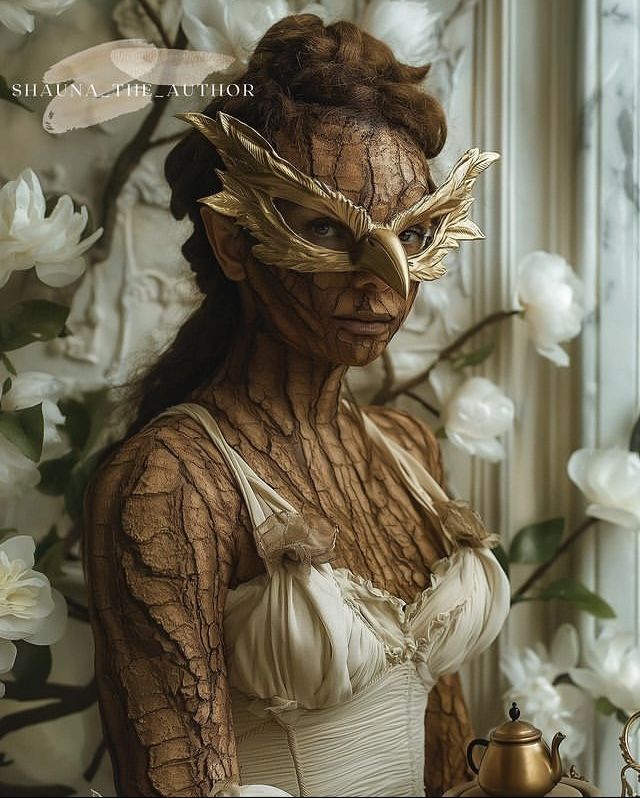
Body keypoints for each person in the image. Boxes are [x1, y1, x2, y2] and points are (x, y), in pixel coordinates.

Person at [83, 14, 509, 798]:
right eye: (323, 226)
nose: (383, 281)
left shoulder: (408, 447)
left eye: (410, 235)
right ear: (234, 242)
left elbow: (447, 748)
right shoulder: (171, 485)